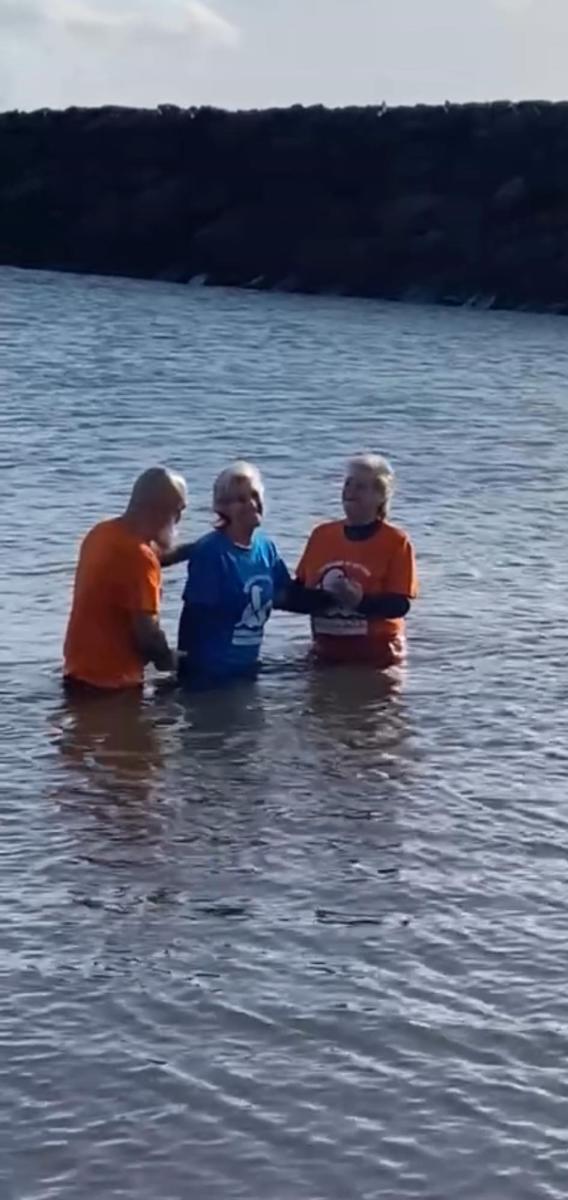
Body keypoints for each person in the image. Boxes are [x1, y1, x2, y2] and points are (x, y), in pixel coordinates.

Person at [176, 461, 330, 686]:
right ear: (222, 507)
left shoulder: (265, 548)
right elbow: (192, 618)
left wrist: (335, 599)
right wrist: (184, 675)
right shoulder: (211, 552)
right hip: (209, 675)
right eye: (240, 499)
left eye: (255, 495)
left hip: (247, 670)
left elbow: (286, 596)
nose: (251, 504)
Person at [63, 467, 187, 690]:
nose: (178, 520)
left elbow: (147, 560)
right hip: (113, 683)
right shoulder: (140, 558)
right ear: (157, 510)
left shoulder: (101, 533)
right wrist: (171, 660)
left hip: (78, 671)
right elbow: (147, 637)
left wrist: (195, 549)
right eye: (177, 511)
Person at [295, 453, 418, 668]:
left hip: (380, 656)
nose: (350, 491)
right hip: (325, 653)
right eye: (348, 484)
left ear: (380, 496)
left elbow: (400, 605)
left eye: (360, 486)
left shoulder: (396, 541)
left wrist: (360, 602)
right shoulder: (321, 535)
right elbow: (299, 591)